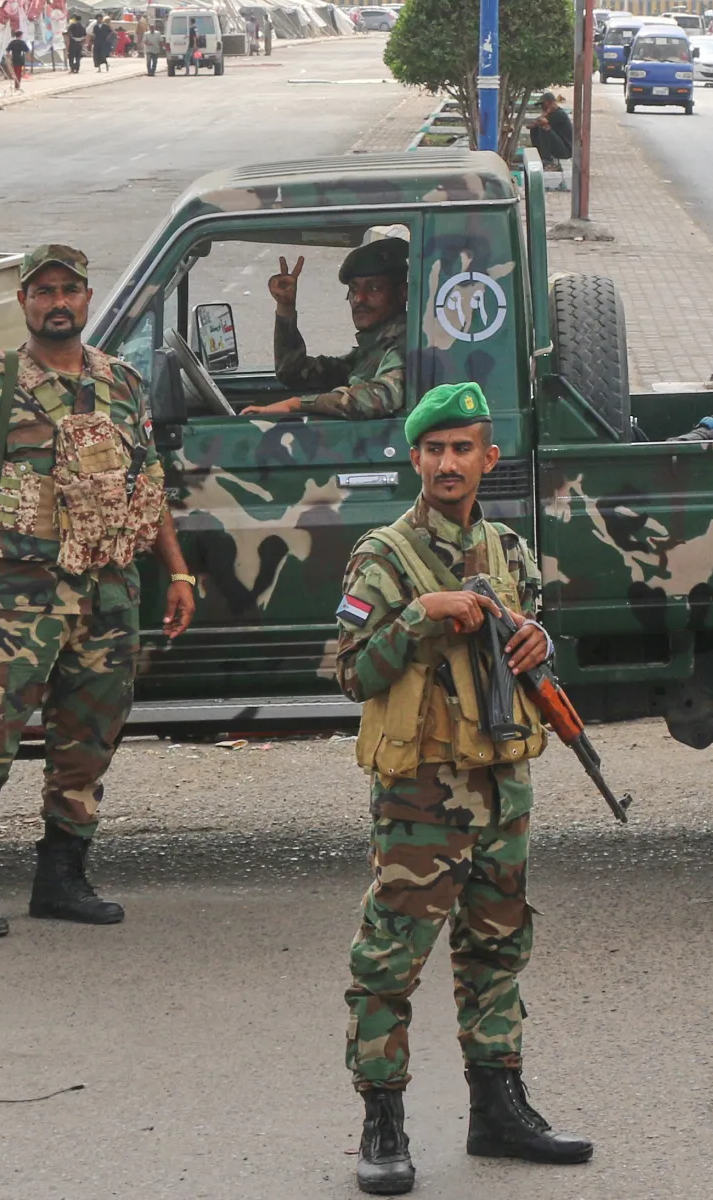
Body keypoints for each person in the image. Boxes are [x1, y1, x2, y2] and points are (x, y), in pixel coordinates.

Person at [338, 382, 591, 1194]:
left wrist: (537, 641)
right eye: (434, 449)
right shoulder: (382, 555)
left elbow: (535, 649)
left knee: (497, 949)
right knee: (391, 958)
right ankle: (384, 1124)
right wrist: (419, 617)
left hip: (502, 782)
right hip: (421, 795)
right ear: (415, 457)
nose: (448, 464)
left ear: (489, 458)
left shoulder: (510, 552)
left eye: (463, 449)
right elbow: (351, 671)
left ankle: (499, 1111)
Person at [0, 244, 196, 939]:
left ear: (86, 296)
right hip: (20, 595)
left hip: (108, 592)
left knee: (90, 738)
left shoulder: (123, 382)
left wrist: (178, 570)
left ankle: (62, 878)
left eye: (68, 290)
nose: (57, 303)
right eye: (43, 291)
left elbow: (149, 485)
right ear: (24, 302)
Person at [243, 237, 408, 421]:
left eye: (374, 288)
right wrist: (286, 307)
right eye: (353, 289)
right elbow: (293, 372)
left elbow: (377, 398)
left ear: (402, 294)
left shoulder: (405, 344)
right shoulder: (374, 347)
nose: (359, 299)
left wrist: (296, 404)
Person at [527, 93, 574, 168]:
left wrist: (547, 112)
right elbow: (530, 126)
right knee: (535, 128)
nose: (542, 107)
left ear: (550, 103)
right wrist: (546, 113)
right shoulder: (550, 114)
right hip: (559, 147)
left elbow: (541, 122)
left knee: (544, 128)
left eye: (543, 104)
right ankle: (539, 154)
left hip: (566, 151)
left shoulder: (559, 114)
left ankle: (547, 161)